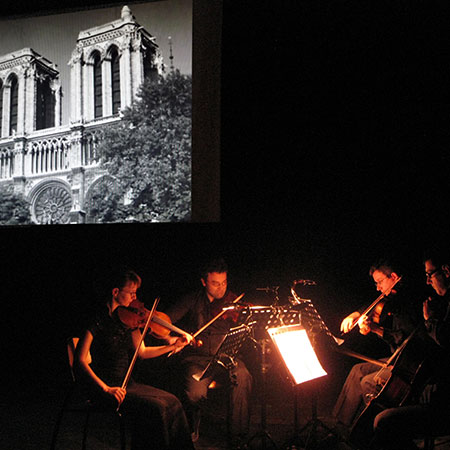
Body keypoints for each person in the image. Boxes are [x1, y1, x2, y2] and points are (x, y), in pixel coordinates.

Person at [73, 267, 195, 450]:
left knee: (173, 402)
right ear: (115, 292)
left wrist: (172, 345)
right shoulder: (97, 320)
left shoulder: (128, 319)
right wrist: (106, 389)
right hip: (107, 387)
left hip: (127, 384)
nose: (134, 298)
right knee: (157, 409)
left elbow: (143, 352)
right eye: (131, 293)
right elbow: (80, 361)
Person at [162, 257, 253, 448]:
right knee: (194, 393)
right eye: (215, 284)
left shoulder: (233, 301)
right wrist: (170, 339)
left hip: (227, 357)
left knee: (243, 377)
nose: (221, 289)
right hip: (197, 359)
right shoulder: (192, 299)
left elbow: (249, 327)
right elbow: (163, 321)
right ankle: (194, 419)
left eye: (224, 283)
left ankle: (238, 435)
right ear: (204, 282)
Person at [332, 258, 423, 436]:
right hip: (395, 359)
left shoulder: (409, 301)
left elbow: (404, 339)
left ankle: (370, 433)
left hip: (409, 364)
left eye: (380, 282)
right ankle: (340, 426)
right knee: (357, 370)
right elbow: (371, 306)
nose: (378, 288)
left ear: (394, 277)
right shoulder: (392, 298)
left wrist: (375, 329)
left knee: (368, 381)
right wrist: (356, 314)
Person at [370, 248, 450, 450]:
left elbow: (437, 341)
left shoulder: (414, 301)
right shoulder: (443, 303)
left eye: (430, 274)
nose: (428, 282)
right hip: (432, 386)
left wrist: (430, 320)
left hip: (440, 396)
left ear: (446, 271)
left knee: (383, 420)